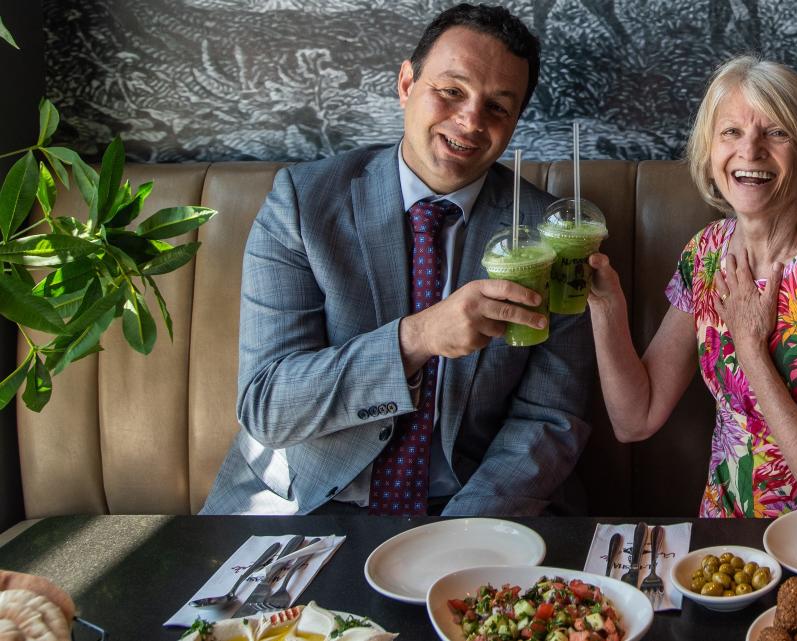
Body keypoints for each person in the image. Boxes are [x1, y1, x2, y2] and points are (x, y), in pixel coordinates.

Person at [200, 3, 593, 517]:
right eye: (450, 91)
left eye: (498, 107)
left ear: (515, 121)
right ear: (407, 84)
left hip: (465, 505)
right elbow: (268, 405)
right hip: (301, 503)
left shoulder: (551, 233)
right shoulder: (302, 203)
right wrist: (419, 338)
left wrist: (459, 532)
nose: (471, 120)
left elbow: (550, 417)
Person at [588, 55, 797, 518]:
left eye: (776, 132)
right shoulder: (705, 253)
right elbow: (634, 420)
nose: (751, 150)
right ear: (710, 151)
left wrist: (751, 347)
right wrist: (606, 308)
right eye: (731, 132)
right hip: (730, 539)